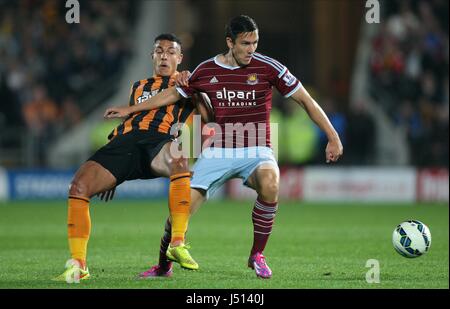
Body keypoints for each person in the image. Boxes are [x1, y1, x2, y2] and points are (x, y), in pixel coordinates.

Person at [105, 15, 343, 279]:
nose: (251, 49)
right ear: (230, 42)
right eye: (245, 43)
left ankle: (257, 255)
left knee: (271, 182)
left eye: (255, 42)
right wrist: (131, 109)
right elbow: (172, 94)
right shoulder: (207, 70)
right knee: (180, 211)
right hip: (217, 150)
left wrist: (332, 136)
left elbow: (306, 100)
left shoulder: (269, 67)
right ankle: (163, 267)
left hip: (256, 149)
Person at [54, 33, 199, 282]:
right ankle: (78, 264)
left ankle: (177, 242)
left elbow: (205, 109)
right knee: (79, 185)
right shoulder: (138, 86)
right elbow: (133, 122)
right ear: (152, 55)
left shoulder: (187, 82)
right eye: (159, 50)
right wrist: (112, 170)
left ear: (180, 58)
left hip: (160, 141)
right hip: (125, 142)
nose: (164, 55)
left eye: (171, 51)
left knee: (179, 157)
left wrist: (192, 84)